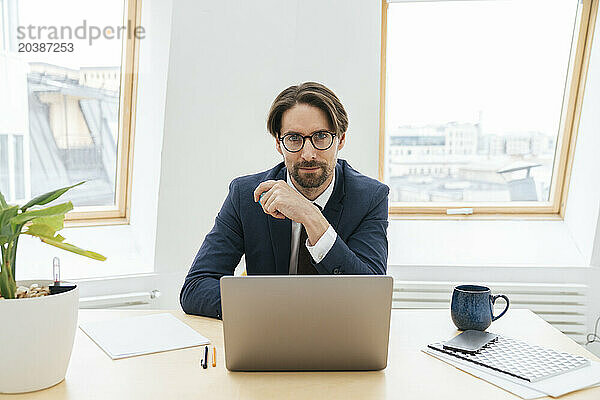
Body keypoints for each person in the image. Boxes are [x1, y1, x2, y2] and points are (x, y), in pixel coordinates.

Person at [180, 82, 389, 319]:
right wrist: (278, 310)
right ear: (279, 143)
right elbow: (196, 288)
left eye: (321, 137)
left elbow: (372, 297)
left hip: (341, 341)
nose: (308, 154)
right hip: (266, 336)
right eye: (294, 139)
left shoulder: (370, 197)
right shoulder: (245, 195)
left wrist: (310, 216)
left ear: (340, 140)